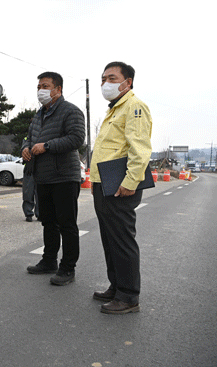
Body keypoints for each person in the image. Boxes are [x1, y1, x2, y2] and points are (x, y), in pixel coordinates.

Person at [90, 62, 152, 314]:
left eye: (112, 78)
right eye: (104, 78)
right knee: (109, 238)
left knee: (122, 240)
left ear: (127, 82)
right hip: (103, 184)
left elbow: (140, 149)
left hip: (120, 185)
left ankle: (128, 296)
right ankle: (116, 286)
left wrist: (130, 181)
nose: (106, 82)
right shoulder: (115, 109)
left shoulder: (134, 106)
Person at [24, 72, 85, 286]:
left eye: (45, 86)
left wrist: (47, 146)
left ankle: (68, 267)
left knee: (67, 224)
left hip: (64, 177)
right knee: (48, 222)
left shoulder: (71, 111)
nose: (41, 90)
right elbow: (29, 137)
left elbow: (76, 138)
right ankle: (49, 260)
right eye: (39, 86)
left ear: (58, 89)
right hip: (43, 176)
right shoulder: (39, 114)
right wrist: (25, 148)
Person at [21, 137, 39, 222]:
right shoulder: (27, 137)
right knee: (28, 191)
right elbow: (24, 147)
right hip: (29, 168)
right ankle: (28, 213)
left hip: (41, 167)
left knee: (40, 192)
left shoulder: (44, 133)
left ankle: (40, 214)